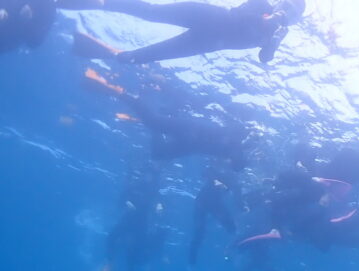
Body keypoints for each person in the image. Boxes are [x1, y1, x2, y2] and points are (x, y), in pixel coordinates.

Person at [83, 68, 250, 169]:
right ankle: (121, 93)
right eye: (230, 163)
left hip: (190, 143)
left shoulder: (230, 149)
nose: (226, 163)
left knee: (157, 153)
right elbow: (237, 134)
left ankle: (157, 120)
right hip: (191, 130)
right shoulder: (236, 145)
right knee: (153, 122)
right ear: (235, 159)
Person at [59, 0, 304, 63]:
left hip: (206, 42)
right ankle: (101, 2)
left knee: (147, 56)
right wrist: (267, 20)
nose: (287, 12)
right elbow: (241, 16)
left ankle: (115, 56)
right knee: (151, 12)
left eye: (293, 12)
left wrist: (273, 42)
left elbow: (265, 59)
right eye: (288, 5)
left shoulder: (279, 35)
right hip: (207, 17)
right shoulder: (263, 6)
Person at [91, 164, 165, 271]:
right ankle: (108, 263)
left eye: (151, 175)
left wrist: (159, 206)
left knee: (134, 251)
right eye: (147, 174)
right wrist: (126, 203)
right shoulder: (134, 186)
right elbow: (120, 202)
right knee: (111, 237)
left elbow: (159, 201)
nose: (149, 177)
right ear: (143, 175)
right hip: (127, 220)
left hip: (141, 225)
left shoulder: (154, 190)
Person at [186, 164, 237, 271]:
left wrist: (226, 186)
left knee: (232, 228)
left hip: (215, 202)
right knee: (198, 234)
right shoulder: (216, 161)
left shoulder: (234, 169)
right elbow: (204, 172)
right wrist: (214, 179)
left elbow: (232, 187)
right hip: (202, 200)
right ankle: (191, 268)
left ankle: (229, 250)